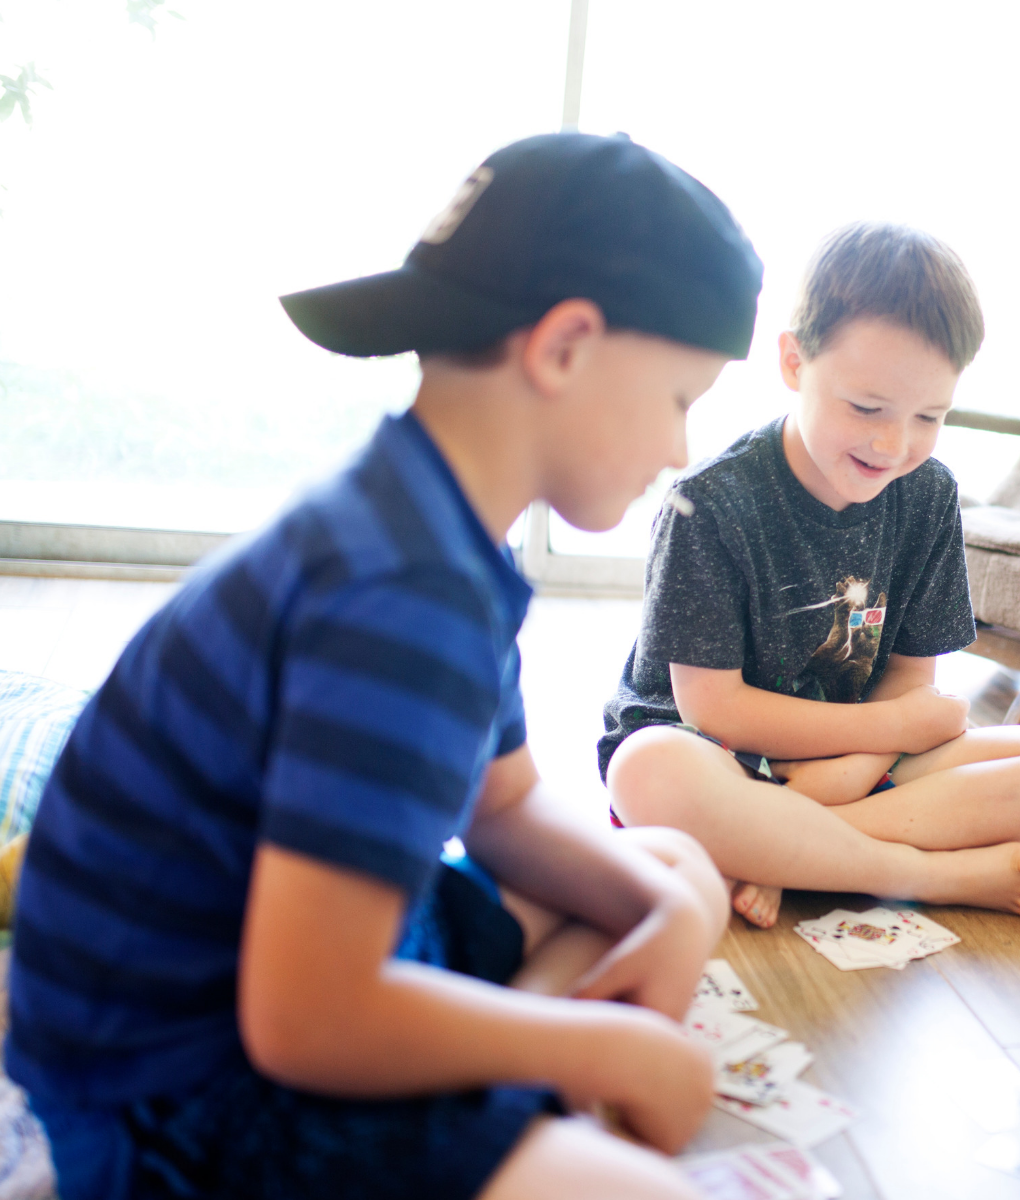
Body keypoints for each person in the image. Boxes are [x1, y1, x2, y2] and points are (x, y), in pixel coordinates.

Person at [7, 132, 765, 1200]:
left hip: (295, 972)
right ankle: (516, 1116)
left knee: (676, 873)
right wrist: (595, 1050)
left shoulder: (434, 520)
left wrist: (665, 916)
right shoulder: (402, 592)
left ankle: (501, 1108)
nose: (682, 449)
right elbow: (305, 1018)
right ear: (563, 347)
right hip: (175, 1086)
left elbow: (503, 809)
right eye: (681, 399)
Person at [600, 222, 1020, 930]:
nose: (893, 444)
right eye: (866, 408)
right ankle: (928, 875)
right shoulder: (711, 503)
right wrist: (890, 727)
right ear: (793, 363)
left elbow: (911, 679)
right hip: (714, 757)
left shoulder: (929, 494)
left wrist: (852, 763)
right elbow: (710, 709)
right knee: (645, 770)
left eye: (929, 416)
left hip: (857, 766)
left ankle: (784, 853)